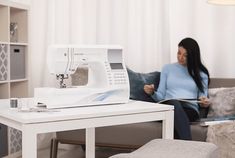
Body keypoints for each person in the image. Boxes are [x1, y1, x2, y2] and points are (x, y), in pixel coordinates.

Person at [144, 37, 210, 140]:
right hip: (168, 107)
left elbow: (202, 97)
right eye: (179, 53)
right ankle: (188, 147)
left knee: (173, 112)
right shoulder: (167, 69)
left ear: (193, 56)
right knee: (173, 105)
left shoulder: (201, 74)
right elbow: (160, 96)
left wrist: (204, 102)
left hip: (189, 110)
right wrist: (152, 93)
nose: (180, 57)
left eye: (185, 55)